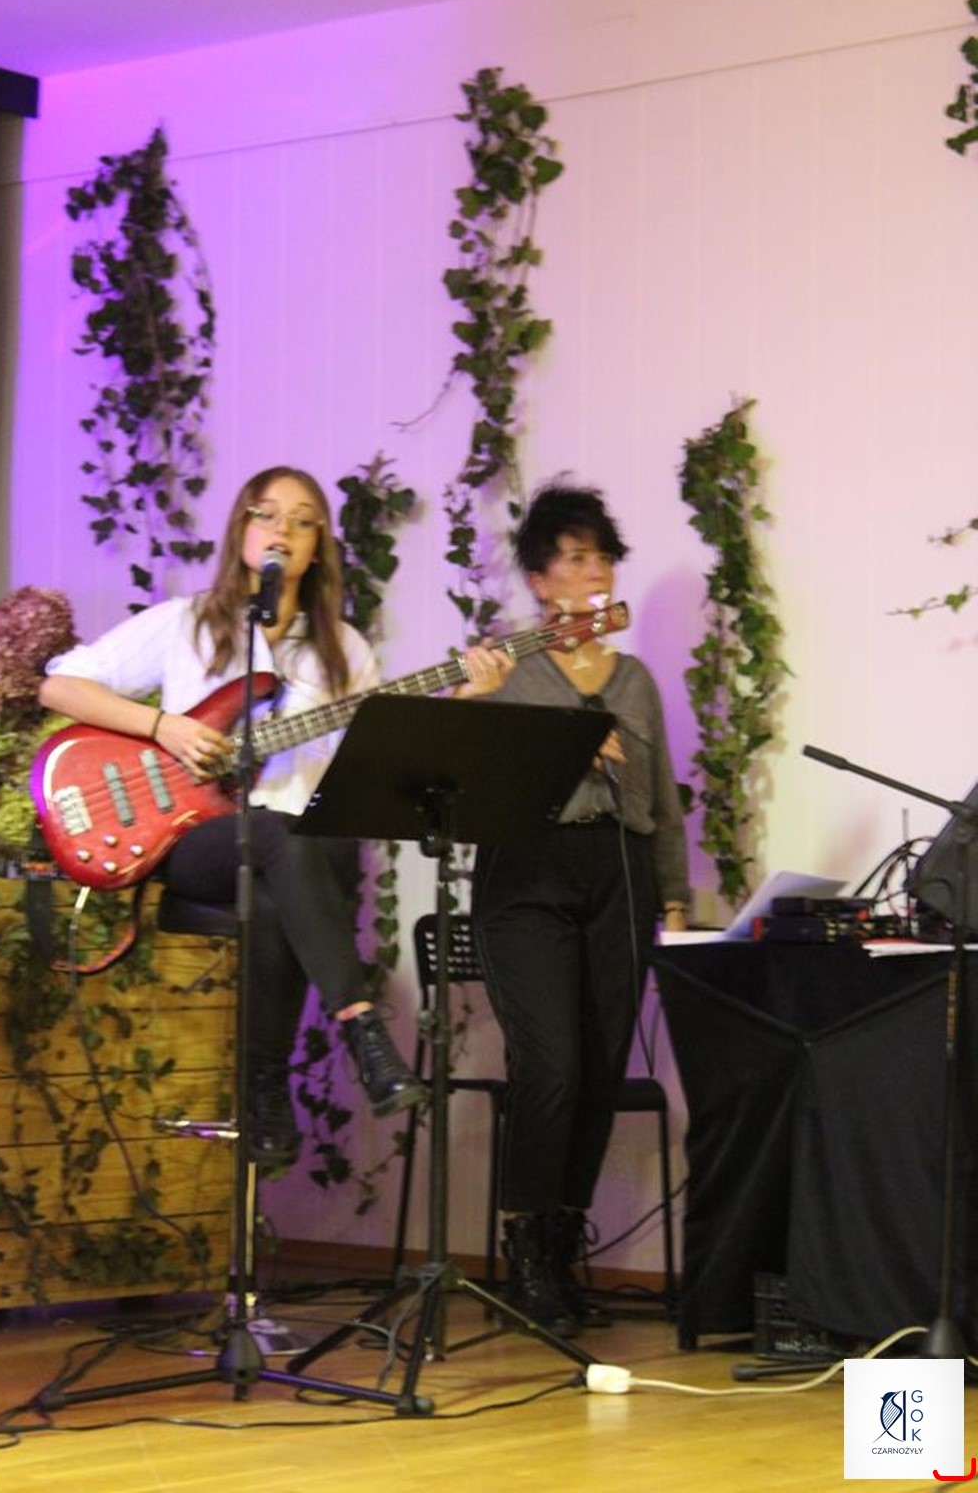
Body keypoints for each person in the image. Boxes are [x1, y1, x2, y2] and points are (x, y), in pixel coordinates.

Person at [38, 465, 429, 1170]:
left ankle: (264, 1093)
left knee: (282, 864)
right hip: (192, 838)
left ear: (318, 545)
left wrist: (459, 703)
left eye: (302, 520)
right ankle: (361, 1024)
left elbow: (374, 759)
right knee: (271, 836)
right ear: (242, 528)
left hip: (296, 852)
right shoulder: (186, 622)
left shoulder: (345, 649)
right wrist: (164, 727)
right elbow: (60, 685)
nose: (283, 529)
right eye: (267, 513)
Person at [464, 478, 691, 1335]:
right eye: (574, 558)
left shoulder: (634, 679)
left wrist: (675, 896)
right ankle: (525, 1244)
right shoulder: (509, 670)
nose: (594, 571)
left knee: (599, 1069)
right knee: (551, 1064)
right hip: (528, 874)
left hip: (618, 873)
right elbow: (458, 772)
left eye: (602, 558)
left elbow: (660, 796)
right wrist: (477, 703)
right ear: (539, 579)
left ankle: (561, 1247)